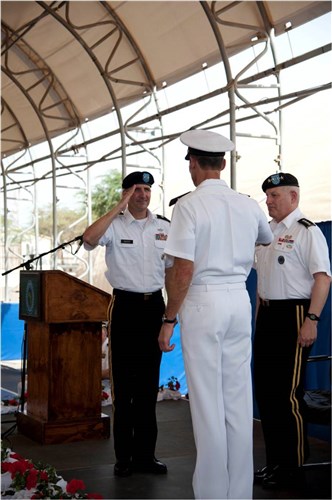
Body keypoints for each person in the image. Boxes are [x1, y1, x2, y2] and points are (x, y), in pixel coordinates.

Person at [158, 129, 273, 499]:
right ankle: (239, 493)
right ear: (223, 164)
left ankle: (211, 493)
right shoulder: (248, 204)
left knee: (207, 404)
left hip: (203, 301)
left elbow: (183, 269)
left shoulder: (188, 206)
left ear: (193, 164)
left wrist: (169, 318)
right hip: (238, 300)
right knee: (238, 401)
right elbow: (266, 239)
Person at [83, 171, 170, 477]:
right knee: (124, 388)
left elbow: (174, 271)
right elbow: (89, 239)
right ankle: (124, 458)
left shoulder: (164, 227)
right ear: (126, 194)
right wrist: (117, 206)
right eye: (135, 190)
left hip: (153, 308)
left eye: (146, 189)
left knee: (148, 388)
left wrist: (170, 317)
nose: (142, 195)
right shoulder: (114, 225)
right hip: (124, 308)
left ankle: (146, 456)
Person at [253, 172, 331, 489]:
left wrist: (311, 319)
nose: (268, 202)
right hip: (269, 316)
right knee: (268, 395)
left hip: (296, 314)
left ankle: (294, 465)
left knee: (288, 396)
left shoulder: (306, 232)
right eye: (268, 196)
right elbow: (263, 284)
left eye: (274, 196)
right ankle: (275, 462)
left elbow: (323, 278)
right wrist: (259, 321)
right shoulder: (266, 233)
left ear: (293, 198)